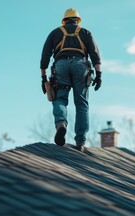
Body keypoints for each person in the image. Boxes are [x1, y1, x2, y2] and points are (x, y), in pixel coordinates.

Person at [40, 8, 102, 152]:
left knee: (60, 99)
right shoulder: (85, 32)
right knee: (81, 104)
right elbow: (95, 55)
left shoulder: (55, 33)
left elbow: (44, 57)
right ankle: (80, 142)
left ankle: (61, 123)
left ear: (64, 20)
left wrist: (43, 78)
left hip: (61, 65)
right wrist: (99, 75)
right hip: (81, 65)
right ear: (77, 20)